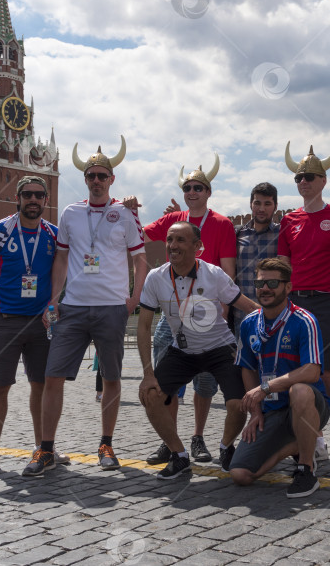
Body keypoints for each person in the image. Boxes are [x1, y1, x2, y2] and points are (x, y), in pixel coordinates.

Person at [22, 143, 148, 477]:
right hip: (73, 306)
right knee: (53, 376)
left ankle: (106, 444)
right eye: (91, 175)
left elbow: (140, 258)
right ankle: (46, 449)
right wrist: (54, 297)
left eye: (102, 175)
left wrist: (134, 298)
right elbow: (61, 257)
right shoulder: (70, 213)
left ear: (111, 179)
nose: (96, 180)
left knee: (111, 377)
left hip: (111, 306)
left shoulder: (124, 213)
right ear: (85, 179)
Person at [126, 156, 237, 466]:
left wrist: (223, 312)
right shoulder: (174, 218)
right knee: (167, 382)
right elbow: (139, 235)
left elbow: (228, 269)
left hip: (208, 311)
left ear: (208, 192)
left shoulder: (222, 223)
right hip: (172, 313)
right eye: (187, 186)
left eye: (198, 187)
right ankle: (171, 443)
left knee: (205, 383)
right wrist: (131, 210)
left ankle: (198, 437)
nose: (192, 191)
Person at [0, 176, 69, 475]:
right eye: (27, 195)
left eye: (39, 195)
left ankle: (44, 448)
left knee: (43, 386)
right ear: (18, 198)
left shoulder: (54, 234)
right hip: (4, 320)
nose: (33, 200)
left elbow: (64, 267)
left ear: (46, 200)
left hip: (41, 323)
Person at [137, 222, 259, 479]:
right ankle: (179, 455)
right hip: (181, 350)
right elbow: (144, 326)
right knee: (150, 394)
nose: (173, 245)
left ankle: (226, 447)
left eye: (181, 240)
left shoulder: (214, 274)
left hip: (219, 347)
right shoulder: (156, 277)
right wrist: (148, 373)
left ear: (197, 247)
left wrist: (285, 317)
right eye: (170, 239)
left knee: (238, 403)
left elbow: (247, 306)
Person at [279, 137, 330, 470]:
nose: (304, 182)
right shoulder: (289, 220)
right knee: (299, 376)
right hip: (294, 304)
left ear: (324, 181)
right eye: (299, 177)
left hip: (326, 303)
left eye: (310, 177)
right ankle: (316, 440)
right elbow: (283, 265)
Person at [230, 258, 330, 497]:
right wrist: (256, 411)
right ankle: (296, 445)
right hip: (273, 410)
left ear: (288, 287)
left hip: (308, 404)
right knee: (240, 474)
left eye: (273, 283)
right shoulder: (249, 324)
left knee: (300, 390)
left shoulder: (304, 320)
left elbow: (312, 371)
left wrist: (265, 388)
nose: (265, 288)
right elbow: (247, 368)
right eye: (260, 283)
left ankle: (306, 469)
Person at [233, 183, 280, 337]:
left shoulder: (282, 234)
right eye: (257, 203)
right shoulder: (237, 234)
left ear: (275, 206)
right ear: (251, 204)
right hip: (242, 318)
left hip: (275, 317)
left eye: (267, 204)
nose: (261, 208)